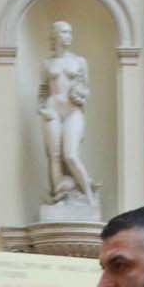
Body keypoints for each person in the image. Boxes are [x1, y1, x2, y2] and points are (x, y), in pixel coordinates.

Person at [38, 20, 96, 207]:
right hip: (52, 110)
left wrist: (80, 95)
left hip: (72, 110)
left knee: (70, 154)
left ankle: (89, 197)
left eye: (70, 32)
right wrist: (42, 108)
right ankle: (59, 197)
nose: (68, 36)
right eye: (64, 32)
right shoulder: (46, 63)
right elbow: (42, 90)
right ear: (55, 36)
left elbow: (86, 88)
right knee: (54, 156)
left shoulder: (79, 61)